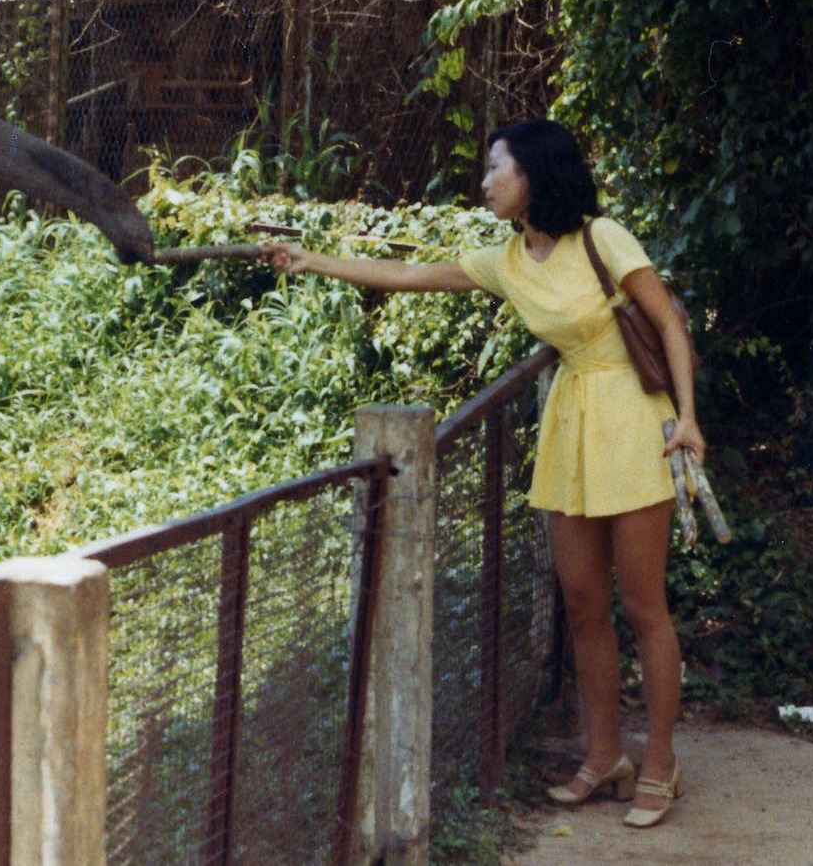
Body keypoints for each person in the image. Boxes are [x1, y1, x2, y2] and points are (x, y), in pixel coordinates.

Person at [260, 118, 705, 829]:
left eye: (497, 167)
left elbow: (670, 323)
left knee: (644, 604)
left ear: (533, 172)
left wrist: (688, 418)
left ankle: (659, 758)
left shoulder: (604, 237)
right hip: (570, 429)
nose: (486, 181)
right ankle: (604, 753)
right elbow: (408, 275)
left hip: (632, 424)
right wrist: (312, 260)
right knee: (584, 602)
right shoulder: (506, 259)